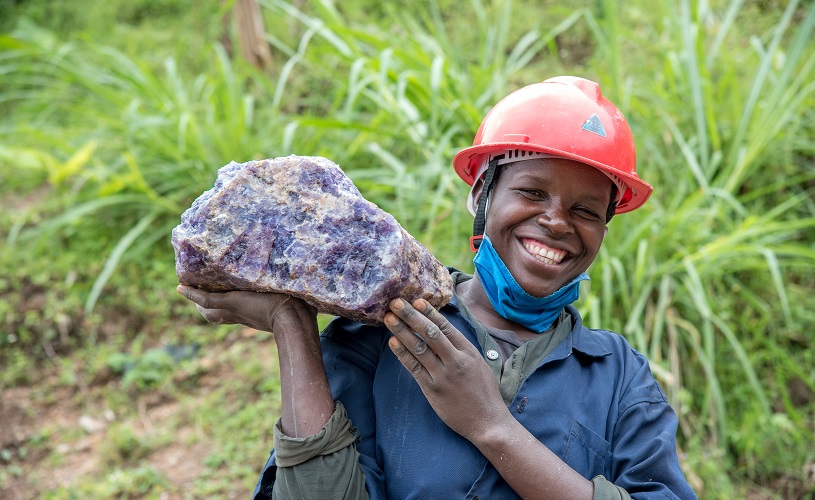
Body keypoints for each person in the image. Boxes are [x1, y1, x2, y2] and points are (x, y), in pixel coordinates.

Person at [178, 76, 697, 499]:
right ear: (482, 195)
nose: (558, 222)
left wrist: (491, 425)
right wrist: (290, 326)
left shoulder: (618, 376)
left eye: (585, 211)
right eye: (532, 192)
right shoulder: (384, 330)